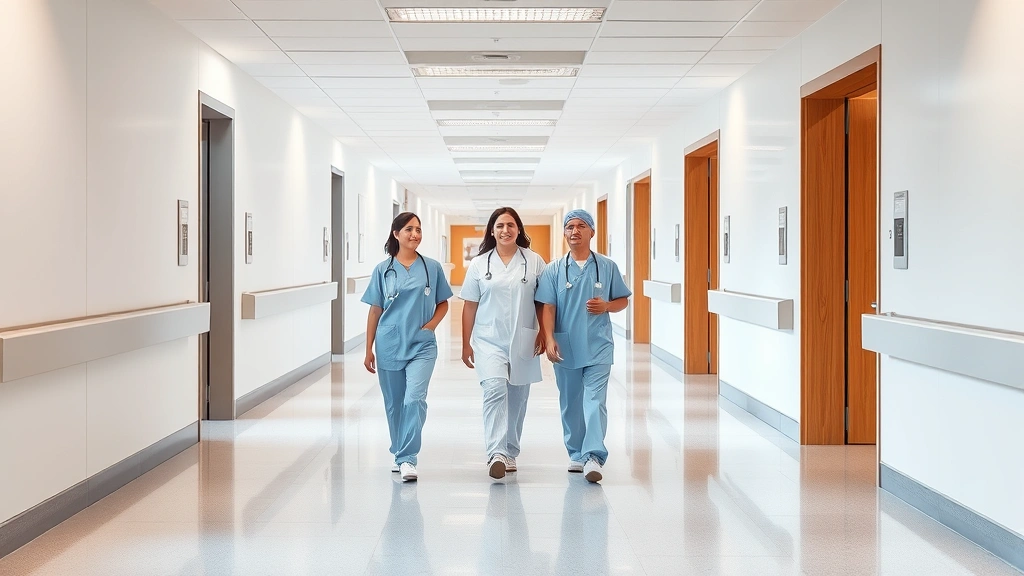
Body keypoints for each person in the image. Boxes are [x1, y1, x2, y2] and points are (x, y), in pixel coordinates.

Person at [535, 209, 630, 483]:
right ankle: (575, 453)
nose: (574, 231)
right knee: (570, 402)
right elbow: (548, 307)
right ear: (564, 233)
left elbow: (622, 300)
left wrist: (607, 306)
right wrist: (549, 338)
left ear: (592, 232)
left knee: (595, 401)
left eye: (580, 226)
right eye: (569, 227)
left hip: (598, 346)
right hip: (565, 345)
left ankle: (593, 456)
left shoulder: (607, 267)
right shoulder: (554, 269)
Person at [363, 212, 453, 482]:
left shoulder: (432, 267)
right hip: (389, 342)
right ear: (396, 234)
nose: (415, 234)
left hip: (422, 345)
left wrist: (431, 326)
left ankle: (408, 458)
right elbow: (375, 309)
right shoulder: (383, 269)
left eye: (418, 229)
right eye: (409, 229)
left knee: (414, 399)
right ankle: (399, 453)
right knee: (394, 404)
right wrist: (368, 348)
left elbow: (443, 302)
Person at [460, 207, 546, 480]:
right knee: (495, 389)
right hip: (488, 339)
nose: (505, 230)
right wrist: (465, 343)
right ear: (492, 230)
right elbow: (469, 306)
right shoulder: (479, 264)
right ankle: (496, 452)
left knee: (518, 399)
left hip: (524, 336)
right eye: (499, 226)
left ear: (519, 229)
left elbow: (543, 302)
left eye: (510, 225)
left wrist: (544, 332)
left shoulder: (533, 261)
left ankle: (510, 451)